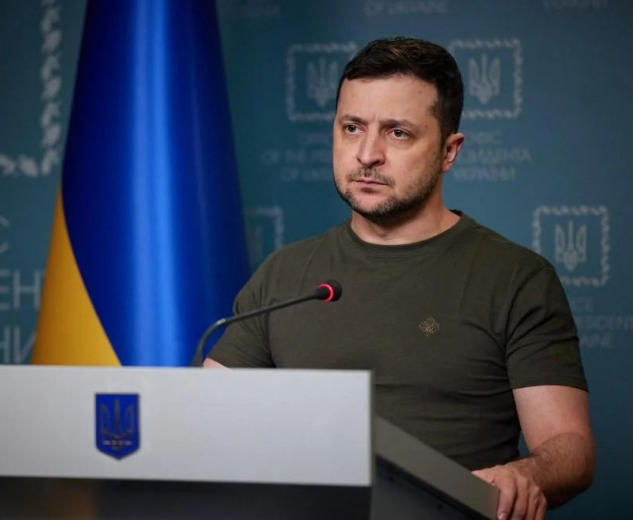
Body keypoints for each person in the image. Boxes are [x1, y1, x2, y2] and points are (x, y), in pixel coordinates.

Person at [203, 37, 594, 520]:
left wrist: (526, 474)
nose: (367, 154)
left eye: (398, 133)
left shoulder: (518, 278)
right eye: (352, 128)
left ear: (449, 151)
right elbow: (204, 420)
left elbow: (570, 448)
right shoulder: (284, 274)